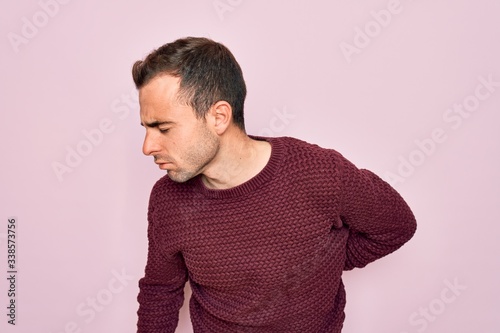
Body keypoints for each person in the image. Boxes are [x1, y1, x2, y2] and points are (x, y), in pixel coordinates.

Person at [132, 36, 416, 333]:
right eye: (147, 128)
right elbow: (160, 292)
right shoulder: (167, 199)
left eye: (163, 128)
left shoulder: (317, 172)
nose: (148, 146)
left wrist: (325, 264)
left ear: (218, 117)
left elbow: (396, 226)